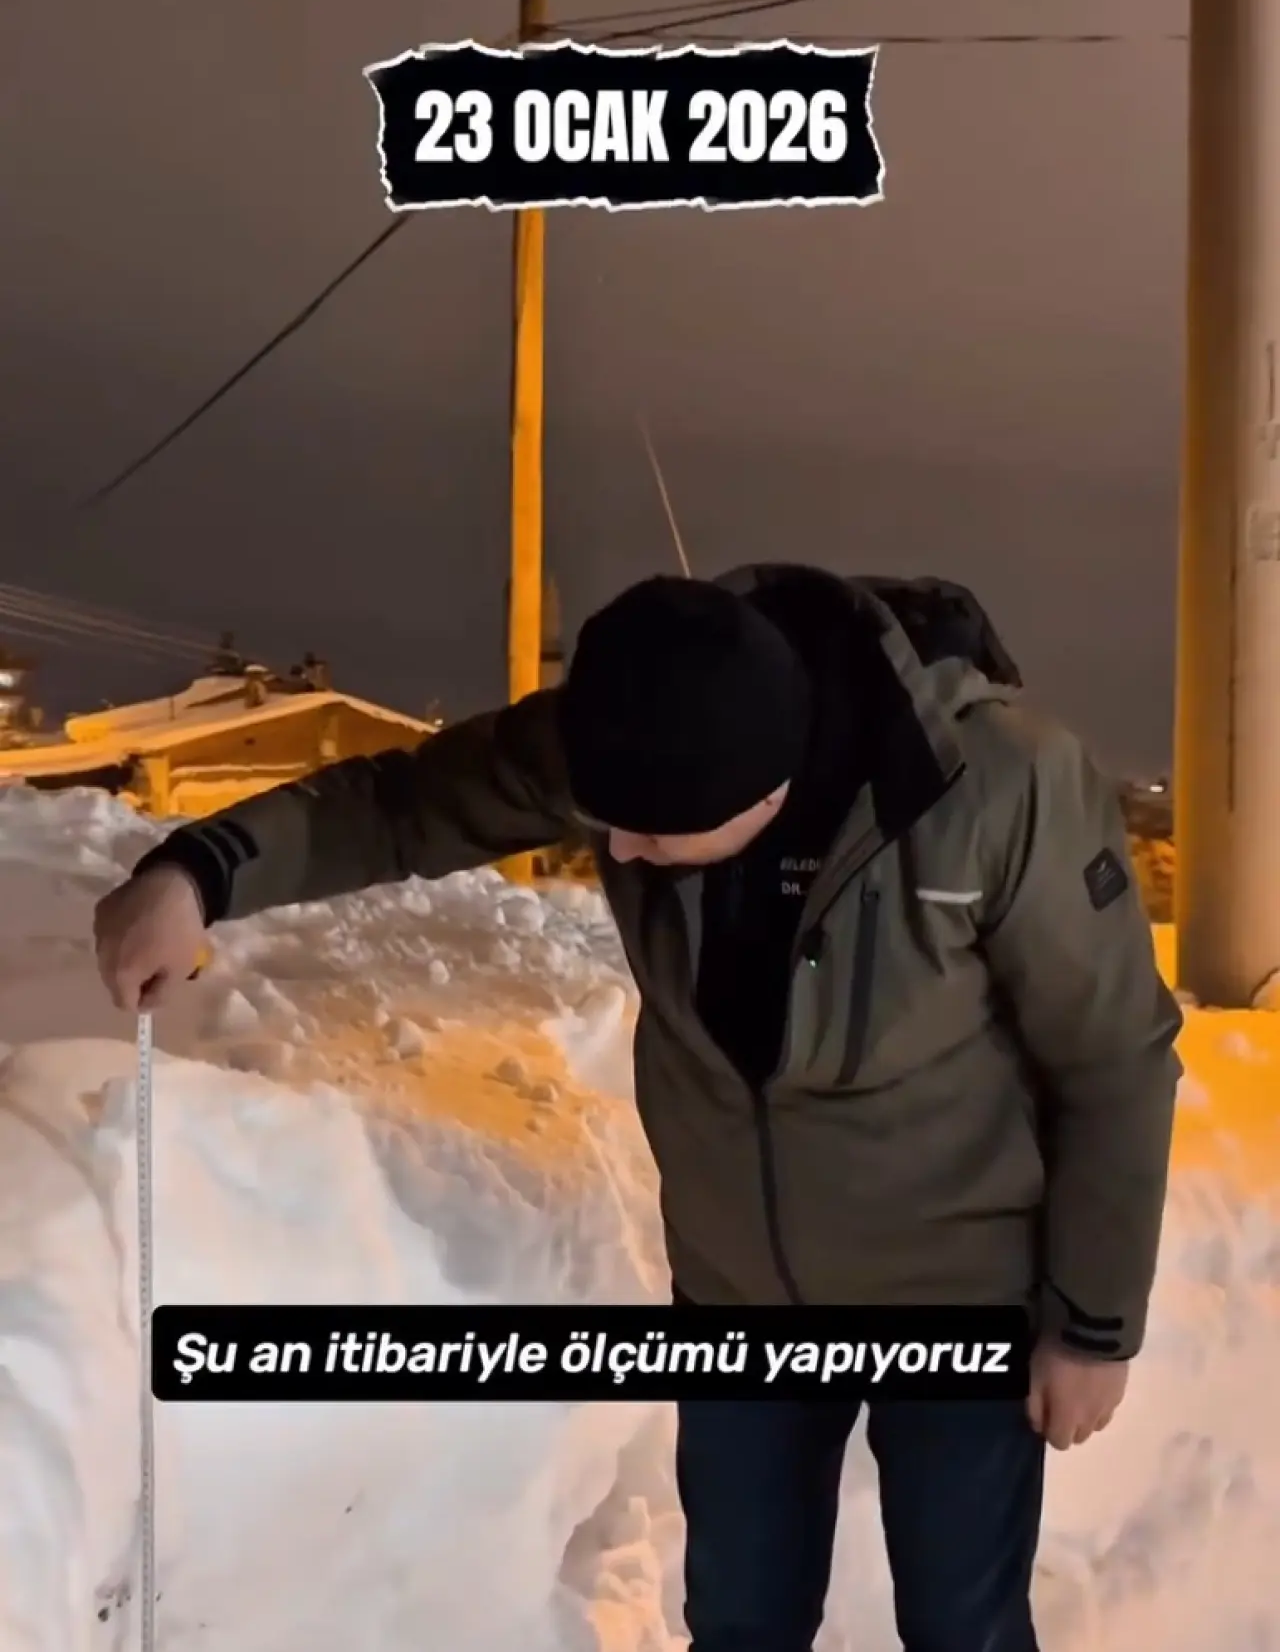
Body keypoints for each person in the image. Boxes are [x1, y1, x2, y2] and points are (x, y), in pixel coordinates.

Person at [94, 565, 1182, 1652]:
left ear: (761, 798)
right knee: (740, 1622)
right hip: (737, 1294)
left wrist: (1092, 1324)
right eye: (604, 822)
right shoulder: (636, 721)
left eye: (650, 836)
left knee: (961, 1625)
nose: (615, 853)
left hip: (960, 1293)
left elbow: (1113, 1056)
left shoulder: (993, 789)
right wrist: (199, 873)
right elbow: (404, 804)